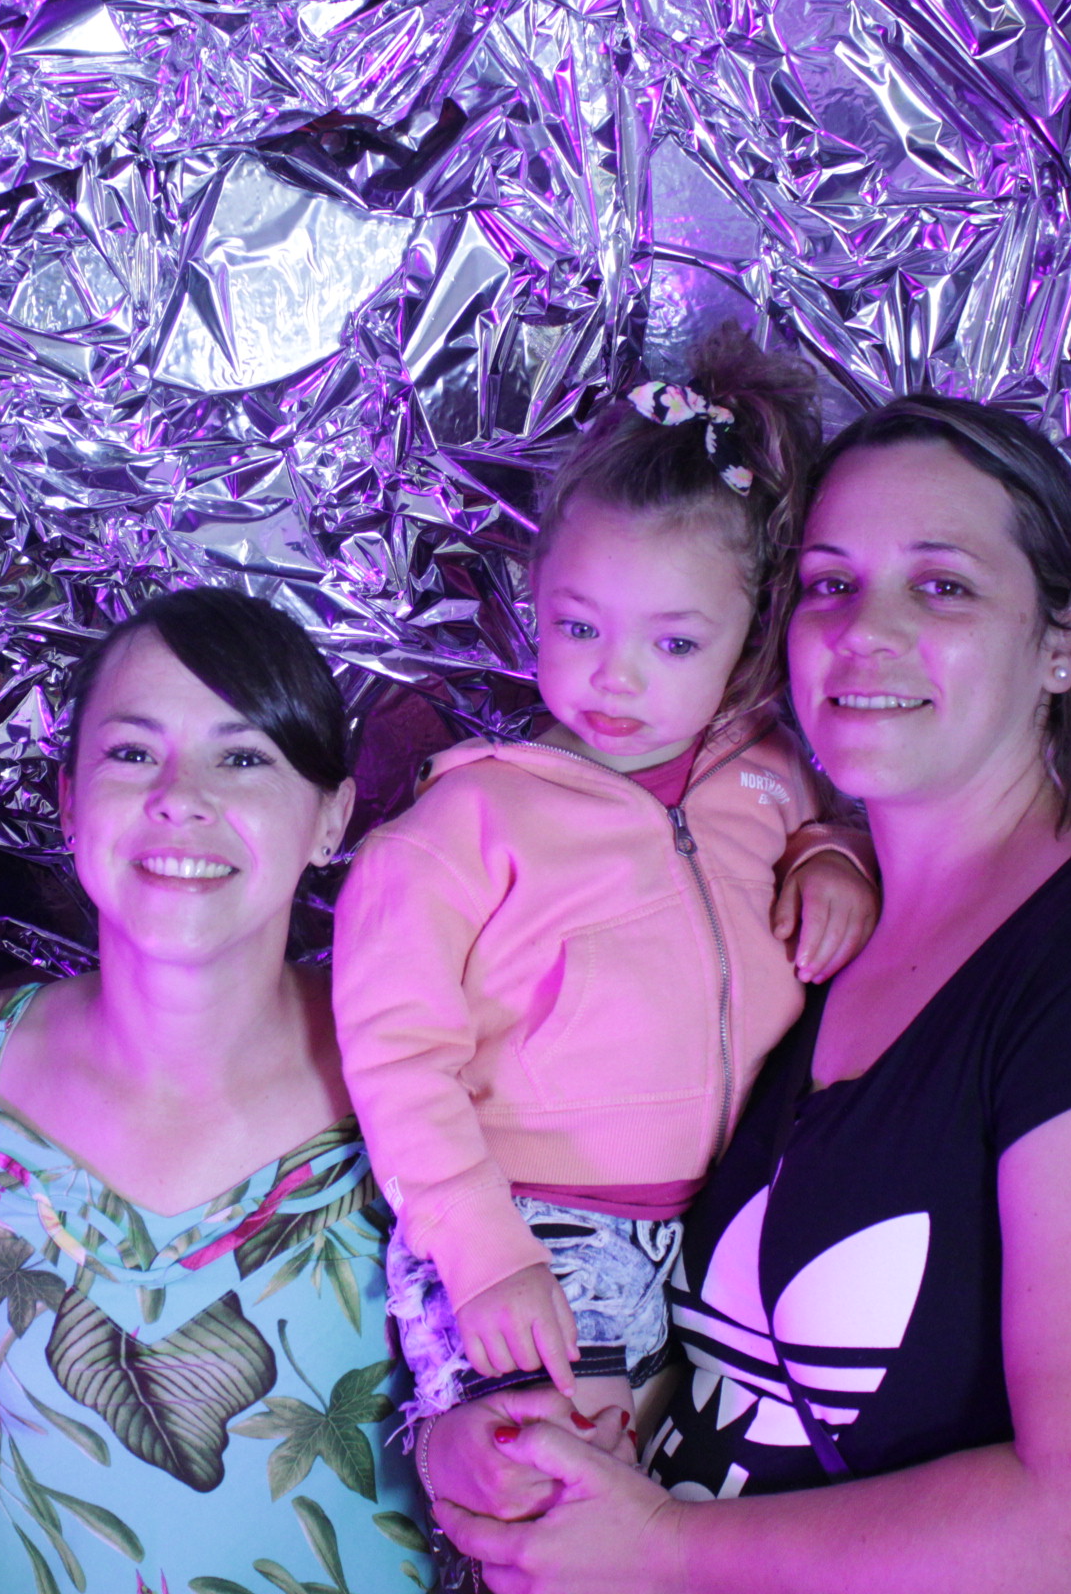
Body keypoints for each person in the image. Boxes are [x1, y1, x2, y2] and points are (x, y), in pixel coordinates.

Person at [425, 395, 1071, 1594]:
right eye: (830, 585)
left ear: (1063, 641)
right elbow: (700, 1366)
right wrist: (499, 1437)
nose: (864, 632)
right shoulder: (801, 937)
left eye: (942, 587)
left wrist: (666, 1552)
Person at [331, 328, 879, 1468]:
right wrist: (484, 1252)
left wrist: (835, 857)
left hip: (724, 1220)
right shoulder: (462, 829)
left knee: (700, 1498)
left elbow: (840, 826)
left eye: (674, 642)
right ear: (535, 599)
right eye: (579, 627)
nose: (615, 676)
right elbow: (396, 1060)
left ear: (750, 637)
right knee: (559, 1493)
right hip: (531, 1225)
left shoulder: (772, 776)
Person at [0, 589, 433, 1594]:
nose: (181, 797)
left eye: (244, 758)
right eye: (134, 752)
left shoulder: (414, 1073)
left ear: (331, 817)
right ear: (69, 800)